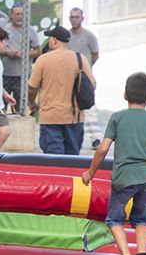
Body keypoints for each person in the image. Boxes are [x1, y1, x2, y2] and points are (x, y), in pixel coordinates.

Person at [81, 73, 146, 255]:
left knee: (114, 218)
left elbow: (102, 149)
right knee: (142, 218)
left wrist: (90, 172)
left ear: (125, 94)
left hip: (125, 176)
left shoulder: (117, 118)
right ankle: (142, 253)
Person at [27, 25, 95, 156]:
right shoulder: (80, 59)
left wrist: (32, 103)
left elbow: (32, 87)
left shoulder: (43, 60)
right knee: (72, 158)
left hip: (50, 117)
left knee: (54, 159)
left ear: (54, 40)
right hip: (74, 117)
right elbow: (92, 84)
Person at [2, 5, 40, 111]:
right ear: (11, 15)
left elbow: (38, 51)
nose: (20, 17)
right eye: (17, 14)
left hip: (23, 75)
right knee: (1, 105)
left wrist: (24, 54)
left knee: (20, 107)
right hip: (5, 74)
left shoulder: (30, 30)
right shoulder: (4, 29)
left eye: (22, 14)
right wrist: (7, 52)